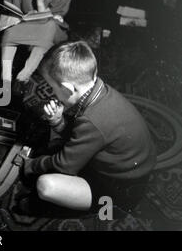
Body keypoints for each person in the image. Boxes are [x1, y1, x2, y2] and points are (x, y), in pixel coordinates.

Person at [21, 41, 156, 213]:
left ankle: (111, 209)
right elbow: (83, 133)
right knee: (57, 148)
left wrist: (30, 165)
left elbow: (64, 165)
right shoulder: (99, 90)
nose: (53, 94)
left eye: (53, 88)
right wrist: (57, 122)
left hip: (119, 189)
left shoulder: (92, 120)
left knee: (46, 185)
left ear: (68, 88)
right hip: (129, 167)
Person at [0, 0, 71, 83]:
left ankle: (22, 78)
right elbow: (10, 12)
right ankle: (5, 78)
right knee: (9, 27)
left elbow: (52, 21)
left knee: (49, 26)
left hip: (52, 32)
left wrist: (40, 4)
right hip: (26, 28)